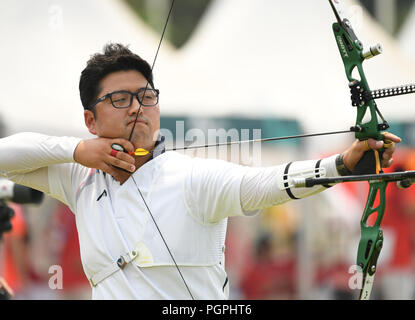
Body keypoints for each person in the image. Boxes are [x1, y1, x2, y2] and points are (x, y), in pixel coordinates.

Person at [0, 43, 400, 300]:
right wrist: (77, 149)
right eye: (120, 99)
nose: (138, 107)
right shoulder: (78, 179)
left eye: (147, 96)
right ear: (90, 119)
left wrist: (341, 166)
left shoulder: (191, 177)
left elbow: (262, 184)